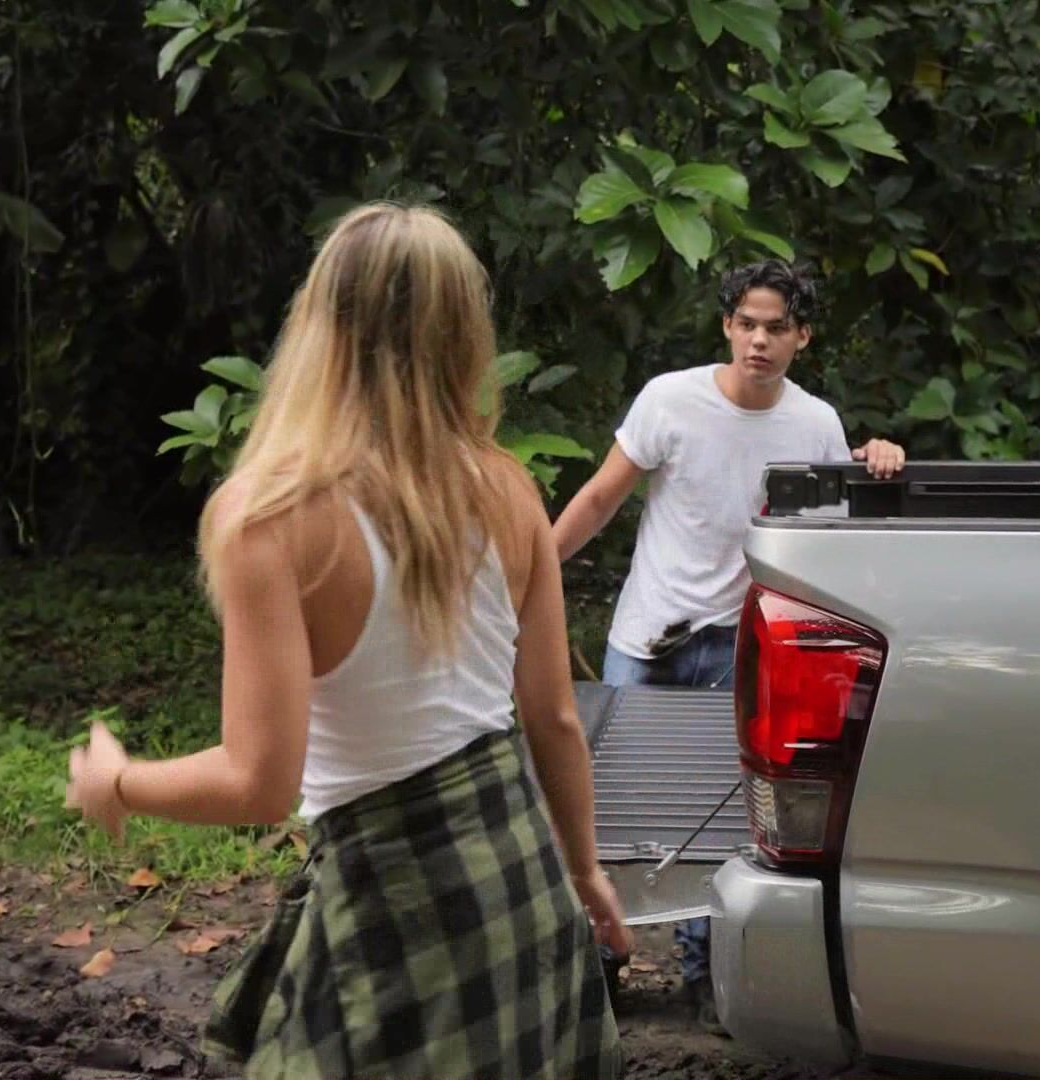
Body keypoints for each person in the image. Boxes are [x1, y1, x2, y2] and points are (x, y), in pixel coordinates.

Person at [64, 202, 632, 1080]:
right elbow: (554, 718)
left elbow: (259, 783)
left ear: (319, 323)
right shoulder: (508, 488)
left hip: (397, 907)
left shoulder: (271, 518)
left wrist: (117, 782)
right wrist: (585, 871)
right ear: (462, 333)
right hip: (520, 886)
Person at [550, 258, 903, 1032]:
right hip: (650, 634)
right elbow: (602, 495)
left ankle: (705, 975)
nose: (758, 341)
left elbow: (837, 533)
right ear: (726, 327)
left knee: (719, 821)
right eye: (746, 324)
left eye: (776, 328)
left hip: (738, 643)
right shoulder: (670, 399)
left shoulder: (815, 424)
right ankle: (599, 967)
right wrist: (536, 570)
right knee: (612, 806)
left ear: (802, 337)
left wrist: (877, 462)